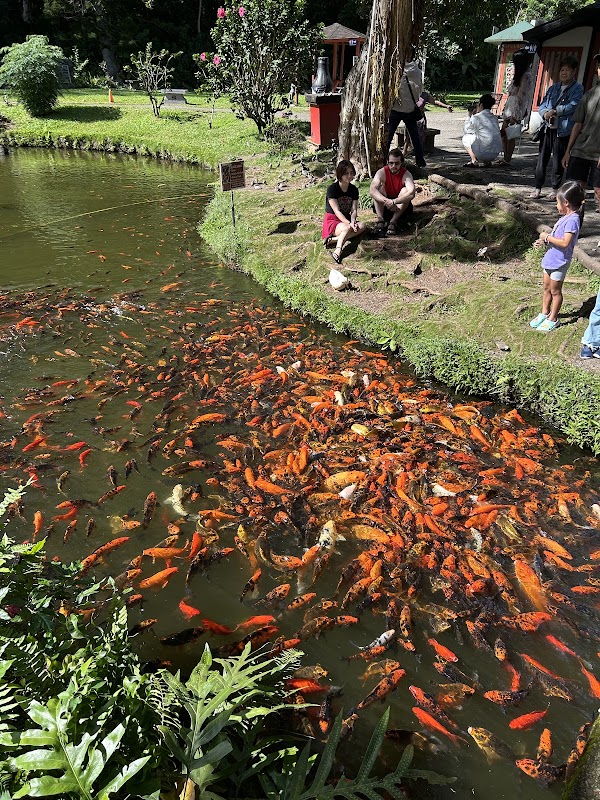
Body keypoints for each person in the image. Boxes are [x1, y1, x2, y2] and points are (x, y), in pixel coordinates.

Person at [529, 181, 584, 332]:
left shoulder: (573, 220)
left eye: (557, 202)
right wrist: (543, 242)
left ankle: (553, 318)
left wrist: (547, 237)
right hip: (550, 258)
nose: (556, 205)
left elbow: (566, 242)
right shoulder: (564, 218)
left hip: (560, 261)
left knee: (555, 291)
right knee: (546, 288)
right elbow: (556, 237)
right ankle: (544, 312)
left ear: (566, 203)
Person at [530, 56, 583, 200]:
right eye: (562, 70)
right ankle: (537, 187)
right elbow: (543, 104)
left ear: (573, 72)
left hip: (563, 130)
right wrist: (545, 113)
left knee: (558, 162)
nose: (564, 72)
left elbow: (574, 105)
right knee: (542, 159)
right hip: (548, 128)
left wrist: (556, 111)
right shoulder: (554, 88)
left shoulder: (578, 88)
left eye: (567, 70)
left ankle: (554, 189)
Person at [562, 53, 600, 217]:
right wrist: (568, 151)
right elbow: (578, 123)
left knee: (598, 191)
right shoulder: (589, 94)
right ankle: (572, 230)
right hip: (580, 149)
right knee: (574, 191)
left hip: (598, 152)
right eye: (599, 66)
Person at [322, 159, 366, 264]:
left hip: (346, 219)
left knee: (362, 226)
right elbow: (336, 211)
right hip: (333, 220)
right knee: (347, 228)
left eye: (351, 173)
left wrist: (353, 221)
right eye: (346, 173)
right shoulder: (332, 189)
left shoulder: (354, 189)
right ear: (340, 174)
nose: (349, 176)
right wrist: (349, 223)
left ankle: (335, 239)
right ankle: (338, 251)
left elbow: (354, 209)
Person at [497, 49, 535, 166]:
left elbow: (522, 96)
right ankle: (504, 157)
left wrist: (516, 114)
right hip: (510, 105)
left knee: (510, 135)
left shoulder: (526, 76)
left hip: (516, 108)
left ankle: (508, 159)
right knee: (504, 134)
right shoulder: (519, 74)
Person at [386, 58, 426, 168]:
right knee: (415, 136)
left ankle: (384, 158)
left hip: (397, 108)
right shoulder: (417, 72)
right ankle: (420, 161)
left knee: (389, 135)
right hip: (410, 109)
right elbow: (419, 91)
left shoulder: (397, 70)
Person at [369, 148, 416, 235]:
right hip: (385, 206)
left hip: (400, 207)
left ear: (401, 163)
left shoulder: (406, 174)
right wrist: (388, 202)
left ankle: (393, 222)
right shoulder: (381, 172)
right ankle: (380, 220)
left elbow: (411, 192)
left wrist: (394, 202)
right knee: (379, 189)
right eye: (391, 163)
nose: (393, 166)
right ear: (387, 162)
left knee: (405, 190)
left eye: (397, 163)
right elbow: (372, 190)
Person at [402, 91, 453, 159]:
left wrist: (446, 106)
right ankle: (405, 152)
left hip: (420, 120)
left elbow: (434, 102)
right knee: (408, 136)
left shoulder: (424, 95)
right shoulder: (408, 92)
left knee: (420, 137)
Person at [462, 94, 502, 167]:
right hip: (495, 153)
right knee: (485, 136)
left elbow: (467, 130)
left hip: (482, 153)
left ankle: (474, 160)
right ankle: (487, 162)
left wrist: (469, 117)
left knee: (466, 138)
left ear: (481, 105)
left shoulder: (477, 117)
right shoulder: (494, 117)